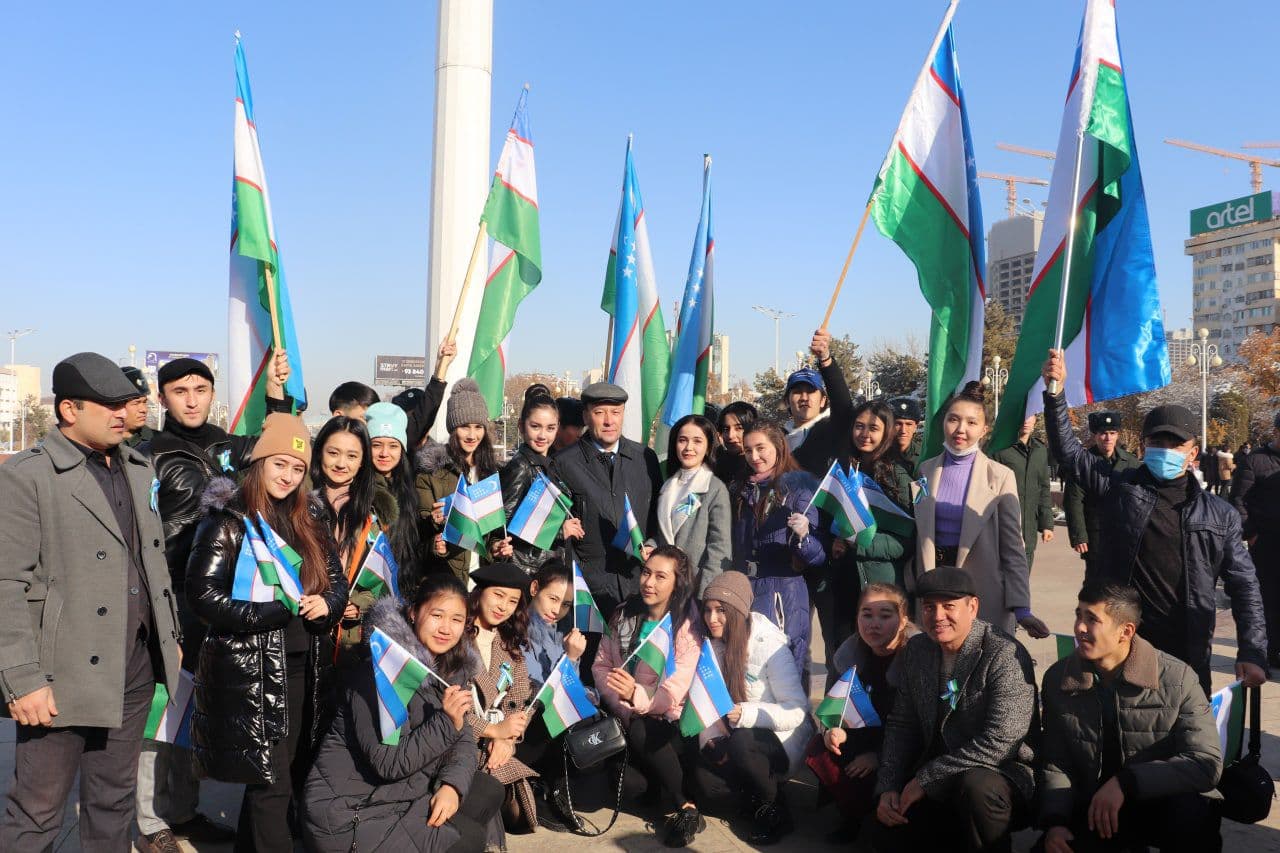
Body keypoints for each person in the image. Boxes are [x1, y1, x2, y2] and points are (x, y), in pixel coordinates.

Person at [0, 353, 183, 851]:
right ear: (69, 410)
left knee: (113, 803)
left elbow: (152, 562)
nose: (123, 414)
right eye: (109, 405)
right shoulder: (30, 475)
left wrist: (169, 636)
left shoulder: (138, 468)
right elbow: (6, 584)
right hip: (59, 677)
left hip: (133, 670)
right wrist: (23, 680)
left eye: (126, 403)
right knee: (37, 811)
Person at [133, 353, 292, 849]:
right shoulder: (147, 455)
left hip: (219, 603)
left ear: (212, 394)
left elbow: (275, 443)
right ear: (163, 398)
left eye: (200, 390)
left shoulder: (229, 446)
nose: (192, 400)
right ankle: (151, 821)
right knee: (161, 714)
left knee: (196, 711)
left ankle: (184, 810)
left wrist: (275, 392)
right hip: (170, 601)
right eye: (180, 392)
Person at [1042, 349, 1267, 696]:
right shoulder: (1120, 488)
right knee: (1123, 721)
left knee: (1187, 722)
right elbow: (1069, 453)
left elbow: (1244, 585)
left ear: (1193, 452)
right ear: (1145, 447)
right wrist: (1055, 394)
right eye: (1157, 442)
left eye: (1176, 443)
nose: (1166, 449)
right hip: (1125, 643)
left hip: (1188, 648)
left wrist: (1252, 651)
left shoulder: (1219, 515)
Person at [185, 413, 348, 852]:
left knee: (283, 772)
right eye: (279, 464)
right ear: (259, 462)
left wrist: (326, 605)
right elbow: (202, 595)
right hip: (252, 670)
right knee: (272, 784)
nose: (288, 476)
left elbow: (336, 582)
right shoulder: (228, 519)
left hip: (303, 666)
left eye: (297, 468)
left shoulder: (310, 515)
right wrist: (267, 613)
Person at [302, 578, 504, 852]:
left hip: (405, 790)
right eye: (437, 615)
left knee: (487, 791)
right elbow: (389, 762)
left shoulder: (451, 668)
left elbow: (464, 738)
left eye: (456, 619)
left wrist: (451, 786)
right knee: (467, 839)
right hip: (353, 810)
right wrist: (447, 722)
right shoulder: (381, 672)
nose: (446, 628)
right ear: (413, 613)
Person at [1035, 581, 1222, 853]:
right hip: (1095, 807)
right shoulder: (1059, 678)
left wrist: (1127, 782)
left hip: (1158, 801)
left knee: (1192, 815)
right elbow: (1056, 761)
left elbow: (1205, 763)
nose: (1080, 627)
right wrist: (1056, 821)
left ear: (1126, 631)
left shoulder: (1177, 678)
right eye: (1078, 615)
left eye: (1092, 619)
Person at [867, 568, 1038, 853]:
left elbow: (1001, 742)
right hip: (935, 770)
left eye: (948, 606)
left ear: (972, 607)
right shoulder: (917, 649)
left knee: (977, 787)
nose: (938, 616)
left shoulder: (1004, 654)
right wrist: (888, 786)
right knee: (885, 832)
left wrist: (926, 779)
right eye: (929, 607)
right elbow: (901, 724)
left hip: (997, 775)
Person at [911, 381, 1048, 638]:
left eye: (971, 422)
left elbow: (1013, 548)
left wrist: (1022, 608)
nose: (960, 429)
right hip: (933, 588)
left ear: (984, 430)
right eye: (953, 419)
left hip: (982, 592)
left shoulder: (1000, 476)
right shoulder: (925, 471)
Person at [687, 571, 811, 845]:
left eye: (721, 610)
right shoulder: (712, 647)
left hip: (779, 739)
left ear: (738, 611)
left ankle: (776, 810)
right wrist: (711, 740)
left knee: (742, 741)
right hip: (733, 736)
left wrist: (747, 714)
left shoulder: (769, 646)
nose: (711, 618)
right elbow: (706, 700)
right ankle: (755, 796)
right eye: (707, 609)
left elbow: (796, 710)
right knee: (706, 786)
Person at [592, 546, 703, 847]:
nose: (649, 582)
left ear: (677, 583)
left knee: (644, 728)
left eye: (660, 576)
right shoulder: (623, 613)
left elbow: (674, 690)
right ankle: (659, 783)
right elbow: (601, 665)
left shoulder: (686, 625)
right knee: (627, 784)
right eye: (646, 573)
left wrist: (637, 697)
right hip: (627, 717)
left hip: (668, 723)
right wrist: (624, 703)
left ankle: (686, 806)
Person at [806, 583, 914, 844]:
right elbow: (833, 707)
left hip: (904, 750)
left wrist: (878, 756)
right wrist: (834, 730)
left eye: (885, 615)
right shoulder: (849, 654)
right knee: (820, 747)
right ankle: (851, 814)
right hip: (862, 736)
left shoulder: (917, 657)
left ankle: (876, 814)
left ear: (903, 621)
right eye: (867, 614)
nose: (874, 624)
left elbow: (918, 730)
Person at [554, 382, 663, 629]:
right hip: (588, 594)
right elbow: (555, 532)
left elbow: (658, 515)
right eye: (599, 412)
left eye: (615, 412)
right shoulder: (563, 463)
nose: (608, 421)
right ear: (585, 416)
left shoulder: (645, 458)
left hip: (639, 586)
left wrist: (652, 544)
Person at [731, 421, 826, 680]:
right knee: (749, 675)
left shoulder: (799, 488)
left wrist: (803, 536)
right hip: (746, 589)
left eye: (761, 448)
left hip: (782, 592)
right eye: (748, 450)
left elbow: (818, 554)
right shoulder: (741, 489)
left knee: (783, 675)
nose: (754, 456)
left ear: (778, 446)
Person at [829, 399, 916, 650]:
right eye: (859, 426)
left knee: (883, 655)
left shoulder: (896, 474)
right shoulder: (844, 469)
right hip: (844, 583)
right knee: (844, 655)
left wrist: (859, 543)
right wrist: (836, 541)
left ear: (886, 432)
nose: (865, 434)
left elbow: (906, 540)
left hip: (880, 584)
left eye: (873, 428)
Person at [311, 416, 399, 657]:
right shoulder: (298, 506)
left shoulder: (374, 516)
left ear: (362, 462)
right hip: (304, 632)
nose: (341, 463)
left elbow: (381, 581)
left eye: (352, 456)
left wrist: (359, 604)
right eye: (333, 453)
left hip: (349, 641)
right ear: (319, 453)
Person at [463, 562, 539, 840]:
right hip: (463, 742)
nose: (503, 606)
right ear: (479, 593)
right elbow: (448, 706)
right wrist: (493, 731)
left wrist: (507, 740)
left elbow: (520, 702)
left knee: (509, 800)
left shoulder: (510, 647)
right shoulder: (456, 637)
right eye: (498, 595)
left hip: (497, 745)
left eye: (512, 601)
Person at [517, 560, 588, 830]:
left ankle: (555, 787)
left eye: (566, 604)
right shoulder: (518, 628)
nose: (557, 610)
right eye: (553, 599)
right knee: (558, 710)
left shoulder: (560, 633)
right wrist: (570, 659)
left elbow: (572, 687)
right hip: (522, 727)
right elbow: (537, 694)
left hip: (546, 729)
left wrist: (574, 661)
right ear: (535, 588)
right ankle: (542, 790)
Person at [417, 379, 500, 585]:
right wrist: (434, 528)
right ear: (453, 428)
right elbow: (417, 534)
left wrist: (497, 548)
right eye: (464, 427)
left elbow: (493, 530)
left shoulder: (492, 474)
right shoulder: (431, 473)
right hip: (447, 582)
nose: (472, 435)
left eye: (478, 427)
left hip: (483, 582)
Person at [489, 394, 584, 575]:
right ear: (521, 426)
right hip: (526, 570)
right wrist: (559, 530)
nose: (542, 435)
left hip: (546, 566)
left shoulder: (548, 464)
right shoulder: (521, 466)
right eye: (535, 426)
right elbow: (504, 526)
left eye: (550, 428)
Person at [648, 414, 732, 596]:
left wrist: (705, 596)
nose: (688, 448)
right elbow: (665, 532)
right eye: (682, 440)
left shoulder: (714, 488)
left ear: (708, 446)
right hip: (664, 587)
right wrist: (650, 545)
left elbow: (720, 548)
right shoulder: (668, 485)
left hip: (694, 589)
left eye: (697, 441)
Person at [1064, 411, 1140, 576]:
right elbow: (1073, 501)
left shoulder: (1131, 462)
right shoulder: (1083, 462)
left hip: (1125, 535)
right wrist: (1079, 535)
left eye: (1112, 433)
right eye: (1103, 433)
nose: (1108, 438)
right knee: (1095, 582)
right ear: (1095, 435)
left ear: (1118, 435)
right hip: (1096, 535)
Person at [1231, 413, 1280, 667]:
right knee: (1267, 599)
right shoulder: (1255, 461)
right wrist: (1250, 533)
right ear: (1276, 432)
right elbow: (1238, 500)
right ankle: (1269, 652)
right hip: (1265, 543)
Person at [364, 402, 426, 596]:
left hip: (403, 591)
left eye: (393, 446)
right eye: (376, 445)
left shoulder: (410, 490)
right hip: (367, 593)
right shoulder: (357, 490)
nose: (384, 453)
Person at [783, 329, 855, 476]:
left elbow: (843, 406)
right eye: (797, 392)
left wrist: (825, 359)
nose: (804, 397)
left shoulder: (833, 430)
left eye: (811, 391)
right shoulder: (778, 439)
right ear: (787, 401)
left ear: (823, 400)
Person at [990, 414, 1055, 571]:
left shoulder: (1040, 450)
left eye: (1030, 416)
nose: (1026, 421)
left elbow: (1043, 488)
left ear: (1035, 419)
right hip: (1003, 529)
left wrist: (1047, 524)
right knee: (1000, 579)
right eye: (1022, 415)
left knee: (1023, 579)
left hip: (1028, 530)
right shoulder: (999, 449)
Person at [714, 400, 758, 485]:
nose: (730, 435)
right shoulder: (713, 464)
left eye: (739, 428)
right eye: (726, 429)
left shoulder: (760, 465)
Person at [886, 396, 923, 472]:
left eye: (909, 424)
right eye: (898, 424)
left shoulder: (924, 455)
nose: (903, 430)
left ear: (915, 427)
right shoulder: (879, 454)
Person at [121, 365, 155, 447]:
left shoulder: (157, 441)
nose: (144, 410)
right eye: (136, 403)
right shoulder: (98, 443)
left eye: (144, 402)